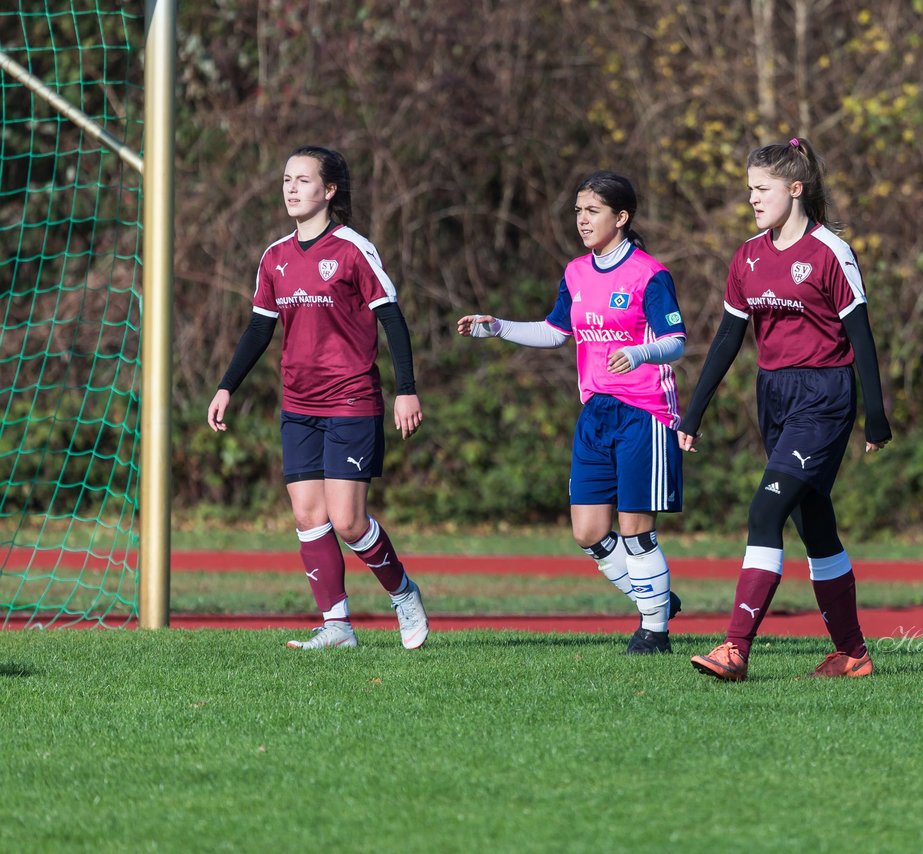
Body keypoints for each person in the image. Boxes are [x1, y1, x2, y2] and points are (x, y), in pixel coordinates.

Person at [678, 137, 892, 681]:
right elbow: (728, 339)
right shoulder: (748, 255)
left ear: (795, 190)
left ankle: (735, 648)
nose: (752, 199)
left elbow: (861, 339)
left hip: (824, 397)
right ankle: (853, 653)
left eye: (762, 189)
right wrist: (694, 412)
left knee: (765, 510)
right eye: (749, 189)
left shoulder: (829, 252)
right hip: (773, 396)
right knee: (815, 527)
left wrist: (876, 413)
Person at [207, 145, 429, 651]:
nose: (290, 188)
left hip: (352, 399)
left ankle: (403, 593)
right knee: (308, 515)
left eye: (303, 180)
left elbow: (392, 318)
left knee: (349, 520)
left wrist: (406, 391)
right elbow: (258, 330)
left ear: (329, 191)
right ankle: (337, 627)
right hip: (298, 405)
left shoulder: (353, 249)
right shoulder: (275, 257)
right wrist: (226, 386)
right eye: (286, 179)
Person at [456, 170, 685, 654]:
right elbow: (556, 331)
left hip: (644, 413)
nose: (582, 220)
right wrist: (498, 327)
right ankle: (658, 599)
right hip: (595, 412)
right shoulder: (576, 272)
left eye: (593, 211)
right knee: (588, 532)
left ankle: (654, 630)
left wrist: (641, 354)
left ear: (621, 218)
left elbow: (676, 341)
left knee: (635, 531)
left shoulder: (649, 273)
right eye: (578, 210)